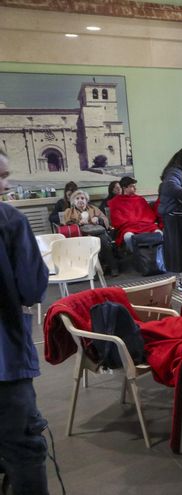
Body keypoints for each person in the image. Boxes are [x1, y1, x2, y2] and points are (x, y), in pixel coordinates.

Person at [0, 150, 50, 494]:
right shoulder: (9, 220)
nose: (7, 183)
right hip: (4, 360)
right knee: (23, 449)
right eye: (2, 177)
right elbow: (31, 287)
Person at [62, 190, 118, 276]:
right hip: (80, 235)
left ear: (86, 200)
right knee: (90, 243)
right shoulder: (69, 212)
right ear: (73, 201)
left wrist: (98, 220)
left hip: (97, 232)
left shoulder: (93, 208)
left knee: (103, 241)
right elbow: (66, 225)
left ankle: (113, 267)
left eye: (82, 198)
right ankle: (92, 270)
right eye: (77, 198)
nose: (80, 200)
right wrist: (78, 223)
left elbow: (105, 219)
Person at [107, 176, 163, 249]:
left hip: (146, 225)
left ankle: (158, 256)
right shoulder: (115, 202)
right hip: (128, 227)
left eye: (134, 186)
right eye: (132, 186)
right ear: (124, 188)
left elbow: (149, 215)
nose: (135, 188)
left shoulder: (140, 199)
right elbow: (117, 219)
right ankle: (136, 255)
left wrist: (139, 221)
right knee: (128, 237)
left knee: (159, 233)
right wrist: (133, 221)